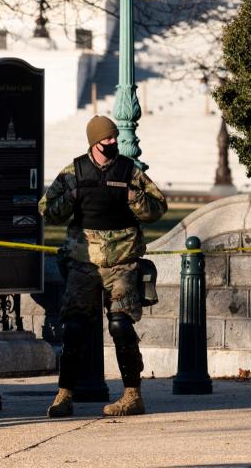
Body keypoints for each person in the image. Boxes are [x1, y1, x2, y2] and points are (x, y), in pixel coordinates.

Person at [39, 115, 167, 418]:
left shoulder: (128, 171)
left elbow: (158, 208)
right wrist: (70, 198)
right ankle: (64, 395)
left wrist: (133, 197)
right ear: (93, 142)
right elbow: (47, 210)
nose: (112, 143)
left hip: (122, 261)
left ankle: (133, 395)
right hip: (84, 263)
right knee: (73, 328)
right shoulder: (74, 172)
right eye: (106, 140)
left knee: (120, 324)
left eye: (114, 139)